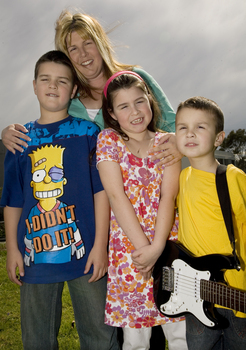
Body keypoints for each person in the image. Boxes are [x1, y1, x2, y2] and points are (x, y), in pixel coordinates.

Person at [0, 50, 119, 350]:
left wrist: (100, 246)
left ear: (74, 89)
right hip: (34, 259)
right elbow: (13, 199)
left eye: (62, 81)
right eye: (46, 79)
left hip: (86, 256)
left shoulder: (89, 133)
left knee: (100, 337)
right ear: (34, 85)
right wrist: (13, 249)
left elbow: (101, 192)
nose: (53, 86)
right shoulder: (20, 139)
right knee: (36, 339)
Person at [1, 9, 181, 167]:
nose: (83, 54)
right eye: (73, 49)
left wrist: (178, 142)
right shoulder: (68, 100)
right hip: (94, 199)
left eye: (88, 43)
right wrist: (12, 134)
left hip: (146, 188)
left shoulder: (135, 79)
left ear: (100, 43)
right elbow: (49, 132)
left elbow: (174, 126)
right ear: (67, 58)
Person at [96, 71, 187, 350]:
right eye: (123, 106)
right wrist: (144, 250)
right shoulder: (108, 141)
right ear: (111, 112)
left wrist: (158, 247)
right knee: (136, 340)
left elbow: (167, 196)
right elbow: (115, 195)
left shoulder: (166, 143)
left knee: (180, 332)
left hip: (169, 249)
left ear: (150, 100)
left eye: (139, 102)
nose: (135, 112)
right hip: (131, 255)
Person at [175, 96, 246, 349]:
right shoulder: (182, 177)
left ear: (219, 138)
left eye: (200, 127)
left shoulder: (233, 178)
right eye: (182, 127)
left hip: (237, 295)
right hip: (196, 296)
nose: (190, 133)